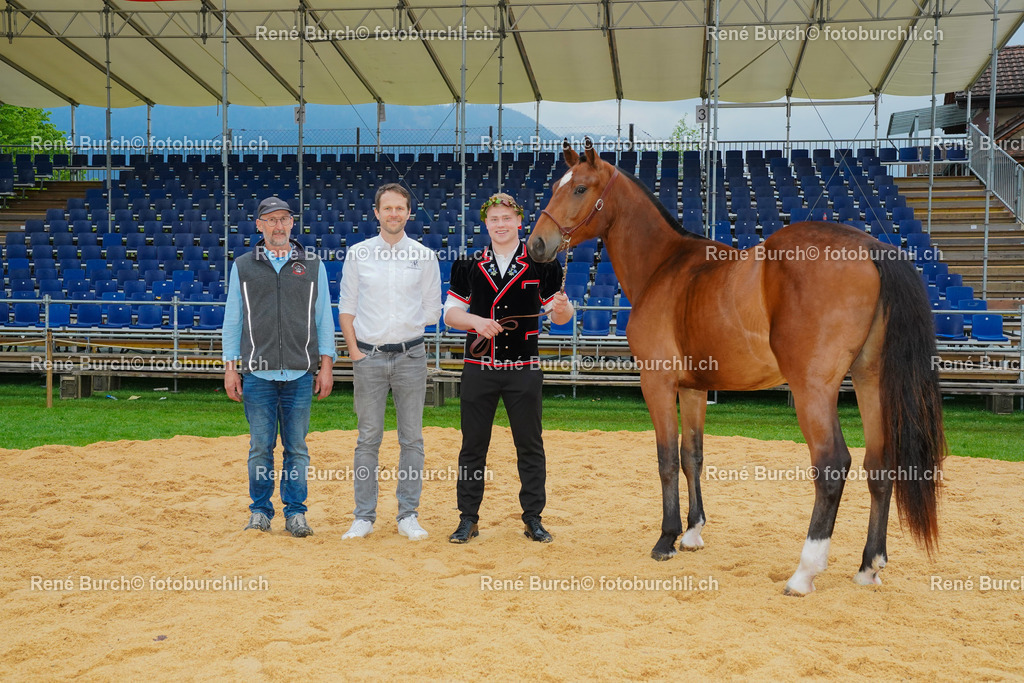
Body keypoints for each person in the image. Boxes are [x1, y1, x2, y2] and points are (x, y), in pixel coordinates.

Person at [443, 192, 574, 544]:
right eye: (494, 220)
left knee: (529, 445)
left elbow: (561, 319)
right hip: (478, 367)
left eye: (507, 219)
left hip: (524, 368)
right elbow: (450, 315)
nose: (500, 225)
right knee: (473, 447)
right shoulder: (468, 264)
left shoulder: (543, 264)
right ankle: (467, 518)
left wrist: (563, 307)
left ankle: (533, 517)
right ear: (485, 224)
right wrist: (476, 321)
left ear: (520, 222)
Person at [222, 196, 336, 537]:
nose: (278, 226)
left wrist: (326, 365)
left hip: (301, 374)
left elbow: (324, 319)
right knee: (260, 448)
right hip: (257, 374)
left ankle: (296, 512)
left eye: (284, 219)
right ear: (259, 225)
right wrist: (231, 368)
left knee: (297, 449)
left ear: (292, 223)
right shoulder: (243, 266)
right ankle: (259, 511)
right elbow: (232, 320)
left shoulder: (313, 265)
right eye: (270, 220)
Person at [338, 183, 442, 541]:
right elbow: (346, 307)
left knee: (412, 439)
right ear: (376, 213)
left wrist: (404, 325)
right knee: (368, 439)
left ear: (409, 213)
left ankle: (407, 515)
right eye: (388, 208)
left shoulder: (425, 257)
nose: (394, 214)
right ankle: (363, 516)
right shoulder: (358, 254)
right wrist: (354, 352)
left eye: (400, 208)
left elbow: (432, 310)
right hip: (368, 356)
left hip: (412, 356)